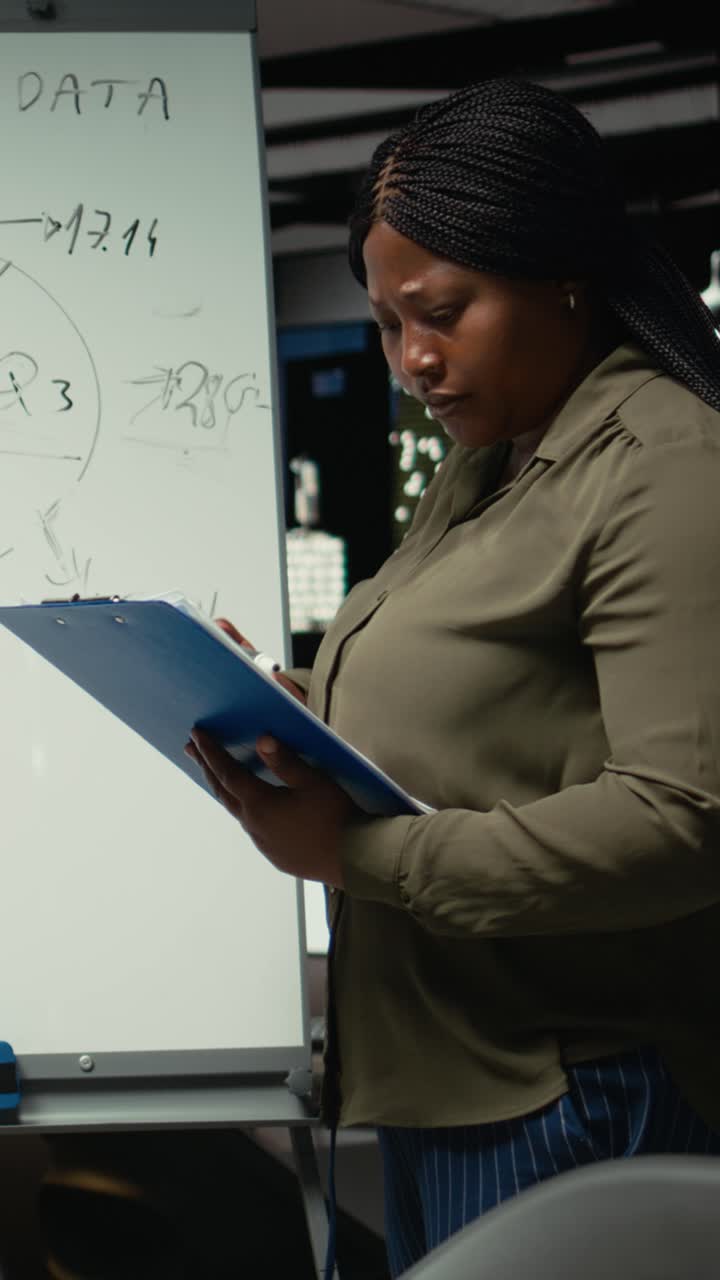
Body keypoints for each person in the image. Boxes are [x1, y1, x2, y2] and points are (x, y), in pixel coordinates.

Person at [186, 77, 720, 1277]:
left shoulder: (664, 464)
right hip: (452, 1079)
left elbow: (683, 818)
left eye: (442, 312)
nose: (412, 360)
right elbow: (477, 714)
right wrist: (277, 698)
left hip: (567, 1085)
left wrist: (356, 856)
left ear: (562, 272)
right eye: (385, 324)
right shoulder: (488, 464)